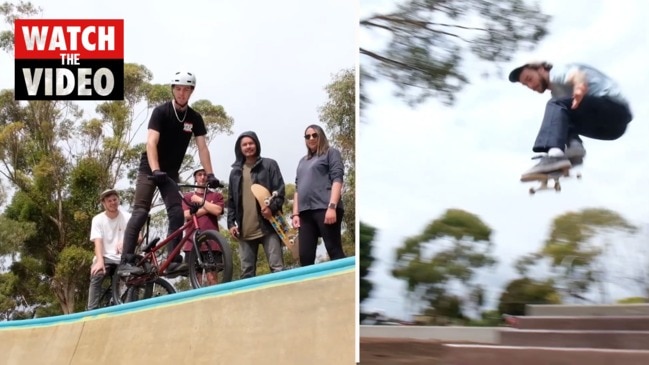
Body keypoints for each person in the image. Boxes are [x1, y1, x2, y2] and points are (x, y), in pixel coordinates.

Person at [117, 70, 219, 276]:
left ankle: (172, 259)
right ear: (173, 90)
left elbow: (202, 148)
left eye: (186, 90)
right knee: (141, 211)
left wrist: (210, 175)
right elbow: (151, 142)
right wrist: (155, 170)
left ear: (192, 92)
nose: (182, 93)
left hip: (171, 171)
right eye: (178, 89)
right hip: (150, 167)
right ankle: (126, 260)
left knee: (175, 211)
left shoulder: (194, 118)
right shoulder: (161, 112)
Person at [508, 61, 633, 176]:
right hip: (612, 130)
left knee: (556, 105)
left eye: (529, 79)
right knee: (560, 118)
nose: (530, 86)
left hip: (613, 108)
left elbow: (577, 75)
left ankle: (555, 156)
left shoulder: (556, 73)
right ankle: (574, 151)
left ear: (541, 69)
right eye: (526, 85)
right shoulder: (558, 94)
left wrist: (579, 87)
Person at [227, 131, 285, 279]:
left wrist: (271, 209)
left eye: (251, 143)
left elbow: (280, 191)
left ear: (257, 145)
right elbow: (231, 201)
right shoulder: (235, 172)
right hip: (245, 232)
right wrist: (230, 224)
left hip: (269, 227)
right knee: (246, 274)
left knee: (277, 269)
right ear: (239, 148)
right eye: (244, 144)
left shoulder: (269, 165)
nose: (248, 147)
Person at [291, 124, 346, 266]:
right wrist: (295, 214)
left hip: (325, 208)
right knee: (305, 256)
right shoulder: (302, 161)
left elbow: (337, 179)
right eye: (307, 136)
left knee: (334, 250)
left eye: (314, 135)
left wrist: (332, 206)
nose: (311, 138)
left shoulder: (331, 153)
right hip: (305, 213)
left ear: (321, 136)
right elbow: (298, 188)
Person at [87, 189, 130, 310]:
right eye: (109, 201)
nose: (112, 203)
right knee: (97, 273)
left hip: (122, 258)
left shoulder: (127, 216)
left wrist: (125, 242)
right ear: (104, 204)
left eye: (114, 199)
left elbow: (139, 236)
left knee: (133, 278)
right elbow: (98, 242)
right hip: (105, 257)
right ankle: (92, 310)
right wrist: (100, 261)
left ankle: (127, 306)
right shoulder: (97, 219)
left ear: (118, 200)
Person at [182, 167, 225, 285]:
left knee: (212, 278)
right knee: (196, 280)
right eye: (199, 174)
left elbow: (217, 211)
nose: (202, 177)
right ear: (195, 178)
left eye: (205, 175)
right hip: (192, 243)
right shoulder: (188, 197)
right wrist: (208, 207)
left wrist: (200, 202)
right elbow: (187, 215)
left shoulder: (216, 196)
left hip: (212, 243)